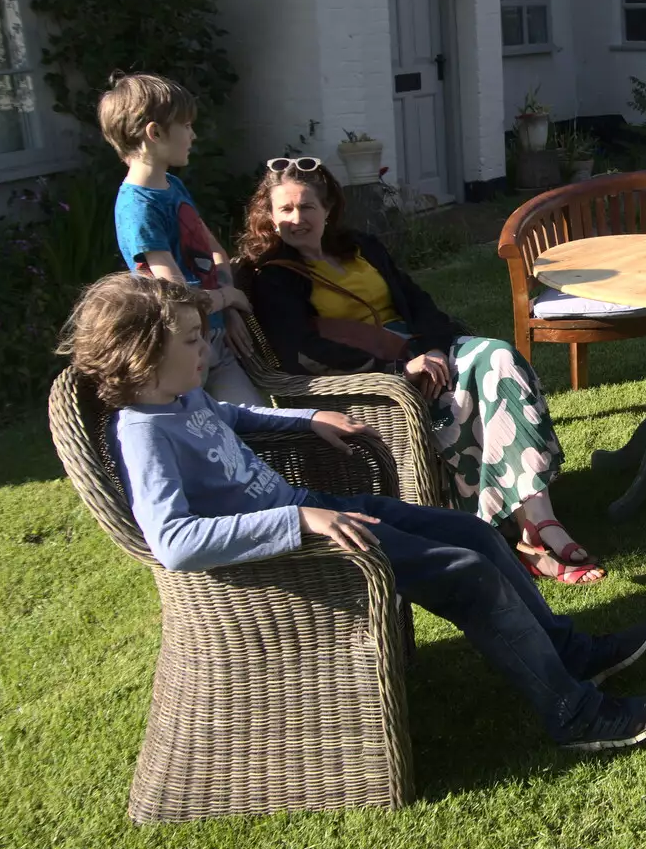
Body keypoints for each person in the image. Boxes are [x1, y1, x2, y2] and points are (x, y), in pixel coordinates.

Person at [58, 272, 646, 752]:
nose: (206, 347)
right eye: (192, 340)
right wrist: (297, 523)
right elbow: (174, 541)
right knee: (469, 573)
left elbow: (241, 418)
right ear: (141, 355)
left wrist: (309, 417)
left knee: (472, 532)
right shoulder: (142, 435)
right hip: (302, 551)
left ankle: (567, 651)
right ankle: (573, 712)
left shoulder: (180, 396)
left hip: (317, 511)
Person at [238, 159, 603, 585]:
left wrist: (431, 346)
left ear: (327, 208)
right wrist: (399, 365)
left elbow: (419, 302)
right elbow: (304, 351)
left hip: (423, 351)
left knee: (500, 358)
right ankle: (525, 538)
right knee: (465, 398)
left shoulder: (360, 248)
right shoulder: (272, 277)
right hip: (375, 377)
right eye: (285, 210)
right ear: (270, 214)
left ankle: (538, 522)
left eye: (307, 207)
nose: (296, 219)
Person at [101, 72, 262, 405]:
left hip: (214, 337)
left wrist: (228, 311)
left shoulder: (173, 187)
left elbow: (215, 252)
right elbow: (178, 296)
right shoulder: (138, 209)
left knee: (255, 424)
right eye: (186, 126)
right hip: (179, 350)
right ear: (155, 132)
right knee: (203, 439)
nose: (193, 134)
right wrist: (229, 296)